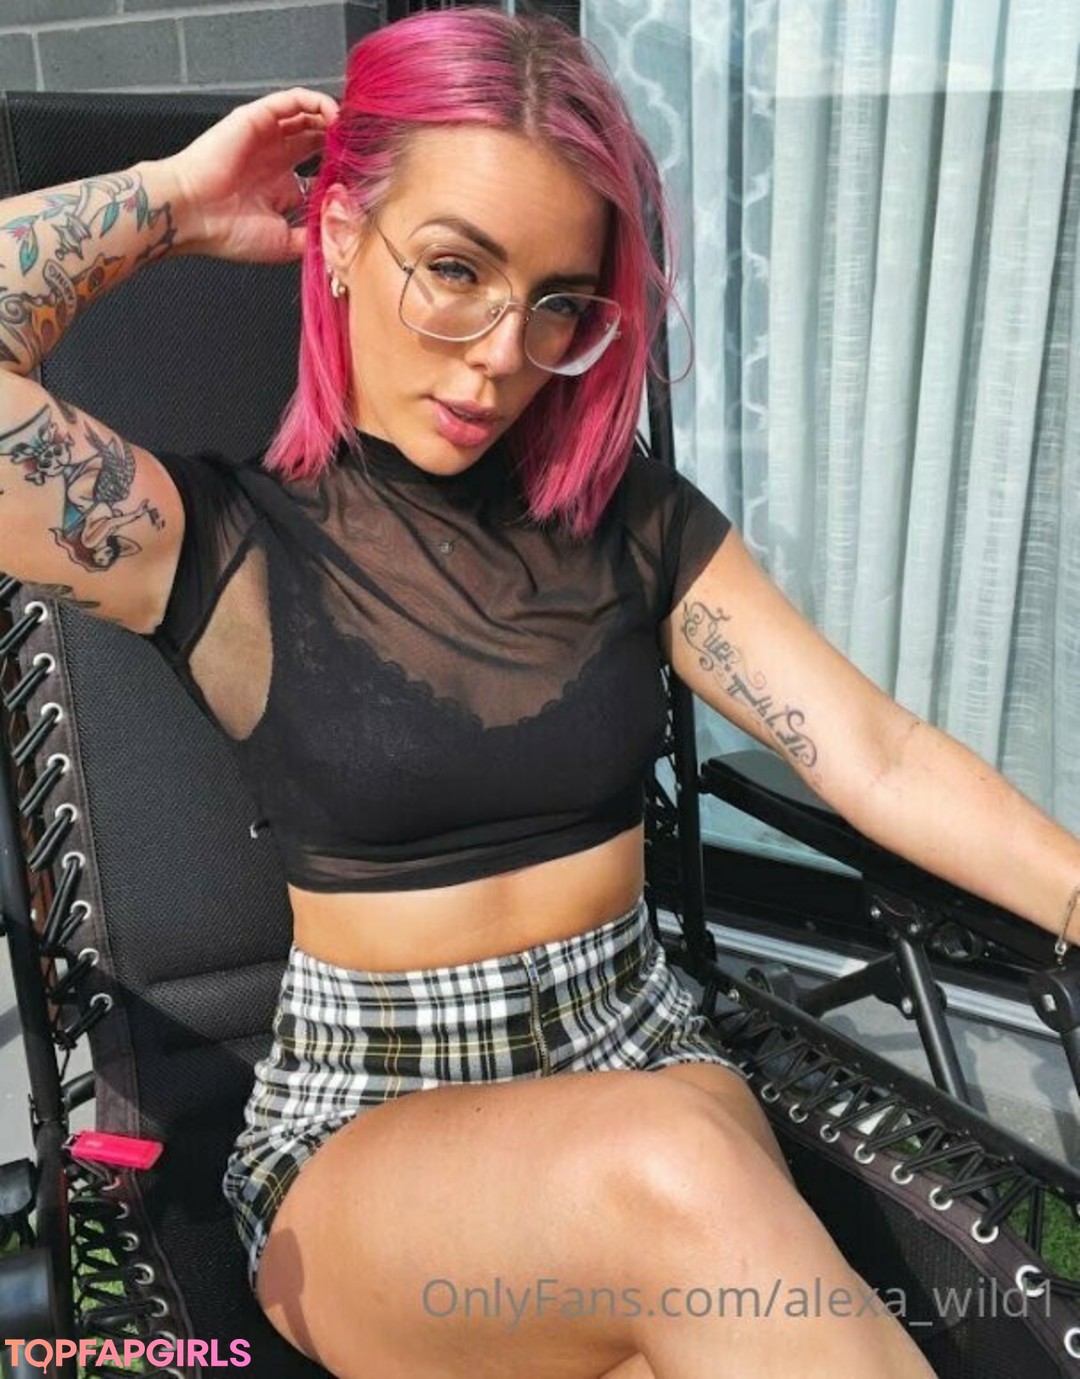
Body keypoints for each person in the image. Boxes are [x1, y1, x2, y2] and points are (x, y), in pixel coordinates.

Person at [0, 9, 1076, 1378]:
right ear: (342, 234)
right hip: (369, 1134)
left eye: (559, 301)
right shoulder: (218, 548)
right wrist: (174, 201)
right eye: (455, 269)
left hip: (643, 1054)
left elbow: (877, 751)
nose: (505, 352)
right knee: (678, 1177)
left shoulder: (635, 527)